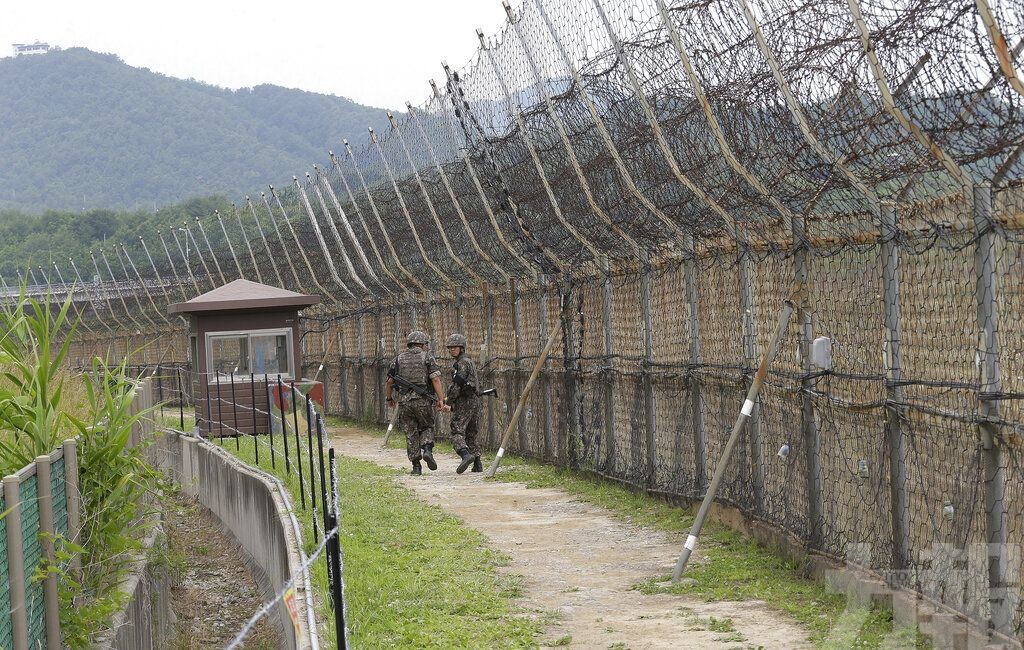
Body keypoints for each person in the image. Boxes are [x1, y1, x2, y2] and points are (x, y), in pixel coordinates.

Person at [386, 330, 446, 475]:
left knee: (410, 432)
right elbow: (436, 379)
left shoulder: (398, 359)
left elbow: (389, 381)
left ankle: (416, 466)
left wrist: (389, 398)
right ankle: (427, 449)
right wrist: (441, 400)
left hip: (405, 403)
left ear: (410, 344)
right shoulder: (427, 357)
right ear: (422, 344)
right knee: (427, 426)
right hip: (423, 401)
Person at [444, 332, 483, 474]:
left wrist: (449, 402)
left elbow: (457, 385)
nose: (451, 350)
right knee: (471, 433)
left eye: (455, 347)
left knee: (457, 430)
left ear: (462, 348)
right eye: (450, 348)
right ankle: (477, 464)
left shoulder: (462, 363)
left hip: (465, 401)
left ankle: (465, 455)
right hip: (474, 401)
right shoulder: (469, 362)